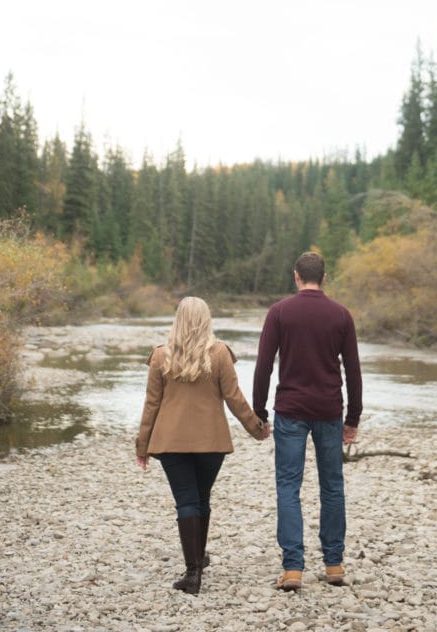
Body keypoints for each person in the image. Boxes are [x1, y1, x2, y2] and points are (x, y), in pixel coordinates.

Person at [136, 296, 268, 595]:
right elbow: (234, 397)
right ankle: (197, 559)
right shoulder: (219, 354)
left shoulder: (161, 356)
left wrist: (142, 446)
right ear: (206, 320)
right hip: (211, 442)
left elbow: (151, 405)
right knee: (201, 499)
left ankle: (193, 571)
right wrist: (256, 428)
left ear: (178, 319)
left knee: (187, 501)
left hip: (171, 443)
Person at [252, 250, 362, 592]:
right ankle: (334, 564)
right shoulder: (341, 315)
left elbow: (264, 365)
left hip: (292, 410)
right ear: (324, 278)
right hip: (329, 410)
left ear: (296, 276)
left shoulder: (280, 312)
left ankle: (293, 568)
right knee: (332, 486)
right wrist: (353, 416)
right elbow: (354, 370)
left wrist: (259, 412)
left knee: (288, 486)